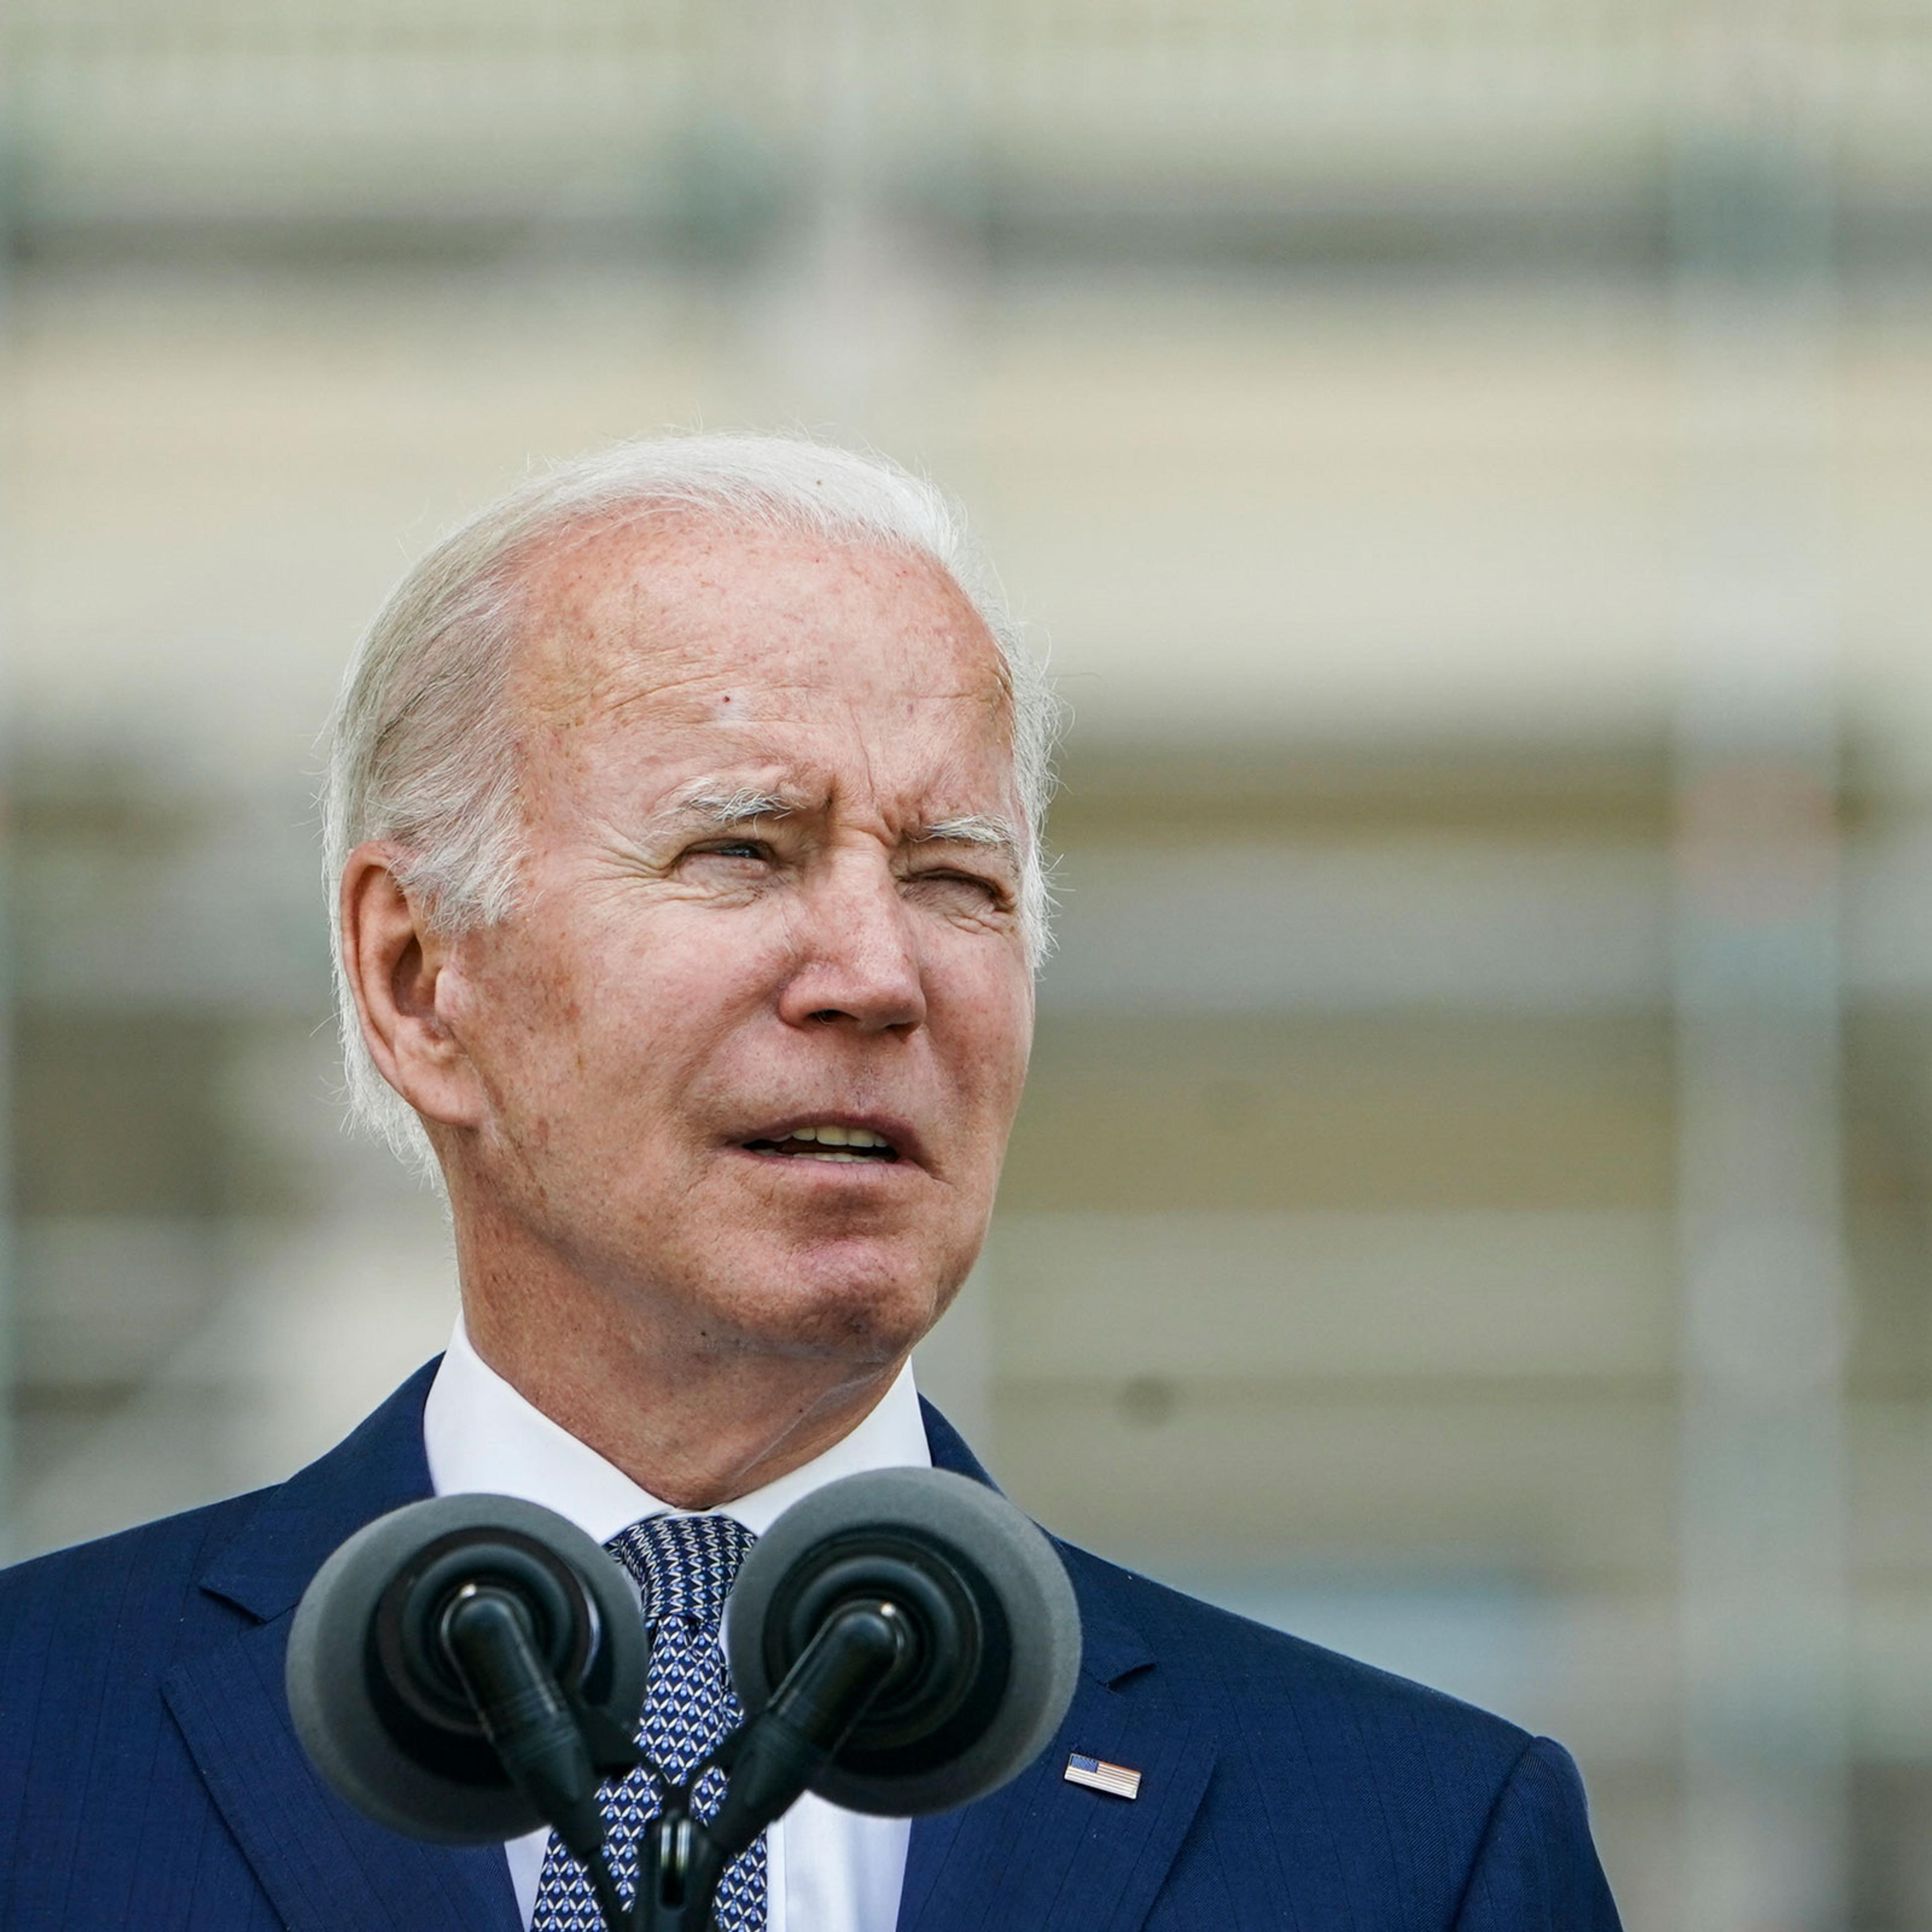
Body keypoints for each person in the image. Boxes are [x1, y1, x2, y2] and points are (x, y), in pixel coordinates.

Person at [0, 435, 1622, 1930]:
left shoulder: (1416, 1848)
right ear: (420, 980)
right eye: (743, 852)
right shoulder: (35, 1747)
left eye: (954, 878)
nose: (878, 973)